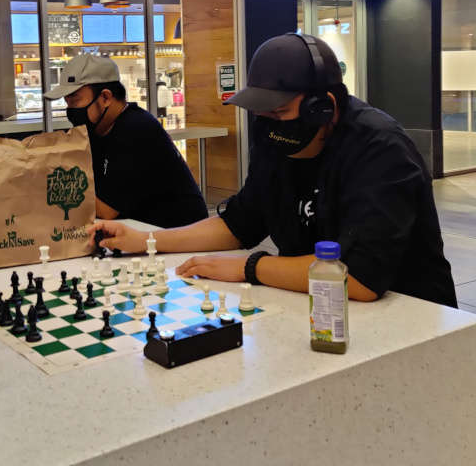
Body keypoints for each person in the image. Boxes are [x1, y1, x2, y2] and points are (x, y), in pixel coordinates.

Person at [91, 33, 457, 307]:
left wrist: (251, 268)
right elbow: (239, 224)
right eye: (262, 115)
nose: (269, 127)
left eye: (280, 113)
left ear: (323, 107)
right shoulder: (277, 142)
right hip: (322, 311)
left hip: (411, 317)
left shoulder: (380, 149)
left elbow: (358, 278)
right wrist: (147, 241)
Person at [44, 54, 207, 229]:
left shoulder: (136, 129)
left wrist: (47, 179)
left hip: (178, 237)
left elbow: (108, 211)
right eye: (67, 103)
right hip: (142, 232)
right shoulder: (98, 130)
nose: (71, 111)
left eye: (75, 100)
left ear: (105, 97)